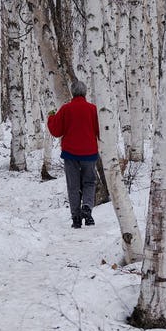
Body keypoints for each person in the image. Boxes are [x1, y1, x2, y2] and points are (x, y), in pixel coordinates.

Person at [47, 80, 100, 229]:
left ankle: (76, 218)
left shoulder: (66, 109)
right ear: (85, 92)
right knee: (89, 182)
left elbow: (56, 131)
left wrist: (51, 117)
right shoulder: (93, 109)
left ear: (72, 92)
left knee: (73, 186)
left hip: (70, 154)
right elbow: (100, 130)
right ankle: (87, 209)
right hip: (89, 153)